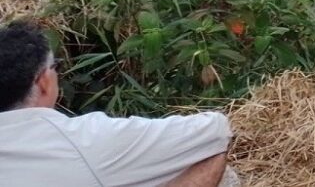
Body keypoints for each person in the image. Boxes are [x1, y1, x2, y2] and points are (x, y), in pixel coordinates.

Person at [0, 20, 237, 187]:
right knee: (225, 175)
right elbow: (214, 131)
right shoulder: (85, 140)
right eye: (56, 67)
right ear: (43, 81)